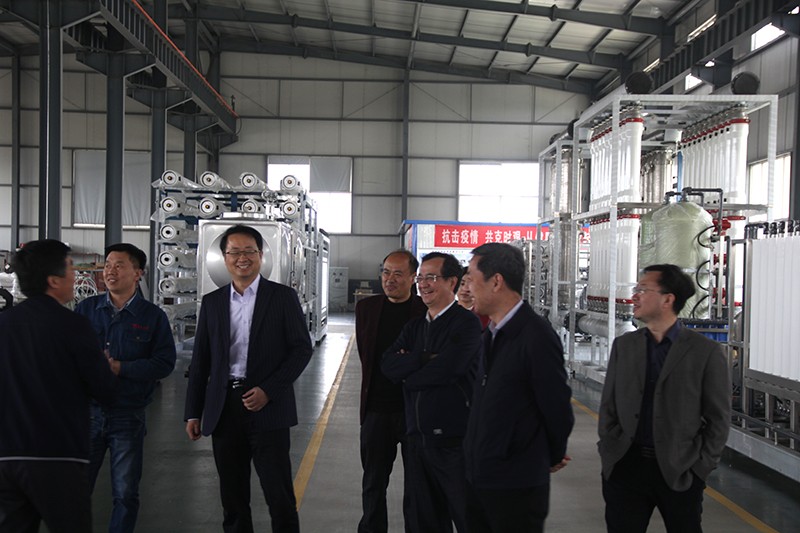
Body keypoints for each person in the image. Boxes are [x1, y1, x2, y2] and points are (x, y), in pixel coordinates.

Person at [184, 224, 313, 533]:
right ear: (225, 257)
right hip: (224, 407)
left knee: (279, 495)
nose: (242, 258)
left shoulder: (282, 297)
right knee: (233, 497)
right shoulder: (213, 302)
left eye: (249, 251)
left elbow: (301, 349)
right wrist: (193, 412)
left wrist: (268, 390)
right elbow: (201, 361)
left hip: (269, 407)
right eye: (235, 252)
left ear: (261, 255)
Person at [597, 264, 731, 533]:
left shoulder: (704, 352)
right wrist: (610, 450)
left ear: (668, 299)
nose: (634, 296)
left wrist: (700, 469)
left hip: (679, 469)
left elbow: (718, 418)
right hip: (626, 466)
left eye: (643, 290)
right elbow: (609, 405)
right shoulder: (625, 346)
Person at [0, 239, 117, 532]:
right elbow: (104, 390)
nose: (75, 276)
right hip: (57, 455)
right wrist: (104, 367)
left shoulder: (4, 324)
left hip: (6, 456)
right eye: (70, 268)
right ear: (53, 280)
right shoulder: (73, 326)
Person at [463, 242, 574, 533]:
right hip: (481, 474)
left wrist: (548, 456)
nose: (467, 288)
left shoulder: (535, 336)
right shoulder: (491, 333)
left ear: (496, 281)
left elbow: (557, 408)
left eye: (472, 279)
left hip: (515, 483)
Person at [75, 243, 176, 533]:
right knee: (76, 490)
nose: (110, 271)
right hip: (88, 414)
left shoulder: (152, 316)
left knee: (125, 493)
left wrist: (120, 368)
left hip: (127, 415)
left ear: (137, 273)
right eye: (108, 265)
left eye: (119, 265)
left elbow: (164, 363)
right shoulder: (86, 310)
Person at [382, 252, 482, 532]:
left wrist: (408, 374)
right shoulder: (415, 326)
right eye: (421, 278)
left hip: (454, 443)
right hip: (417, 439)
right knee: (421, 519)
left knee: (467, 517)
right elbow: (387, 364)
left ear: (452, 282)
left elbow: (450, 369)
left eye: (431, 277)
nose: (423, 284)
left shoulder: (466, 324)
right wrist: (424, 358)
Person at [356, 250, 427, 533]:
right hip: (376, 410)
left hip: (414, 412)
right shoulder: (366, 309)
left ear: (413, 278)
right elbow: (366, 355)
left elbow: (428, 359)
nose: (390, 279)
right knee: (373, 483)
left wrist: (410, 360)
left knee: (418, 486)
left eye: (398, 274)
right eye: (386, 272)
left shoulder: (425, 310)